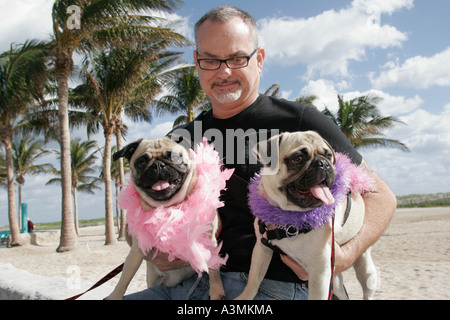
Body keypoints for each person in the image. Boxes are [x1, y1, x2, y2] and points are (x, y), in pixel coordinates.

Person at [124, 5, 396, 300]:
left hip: (280, 287)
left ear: (260, 59)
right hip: (193, 283)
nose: (223, 71)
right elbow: (137, 217)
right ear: (197, 62)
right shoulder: (177, 143)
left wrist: (343, 255)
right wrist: (155, 249)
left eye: (237, 58)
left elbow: (382, 196)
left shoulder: (302, 123)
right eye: (210, 60)